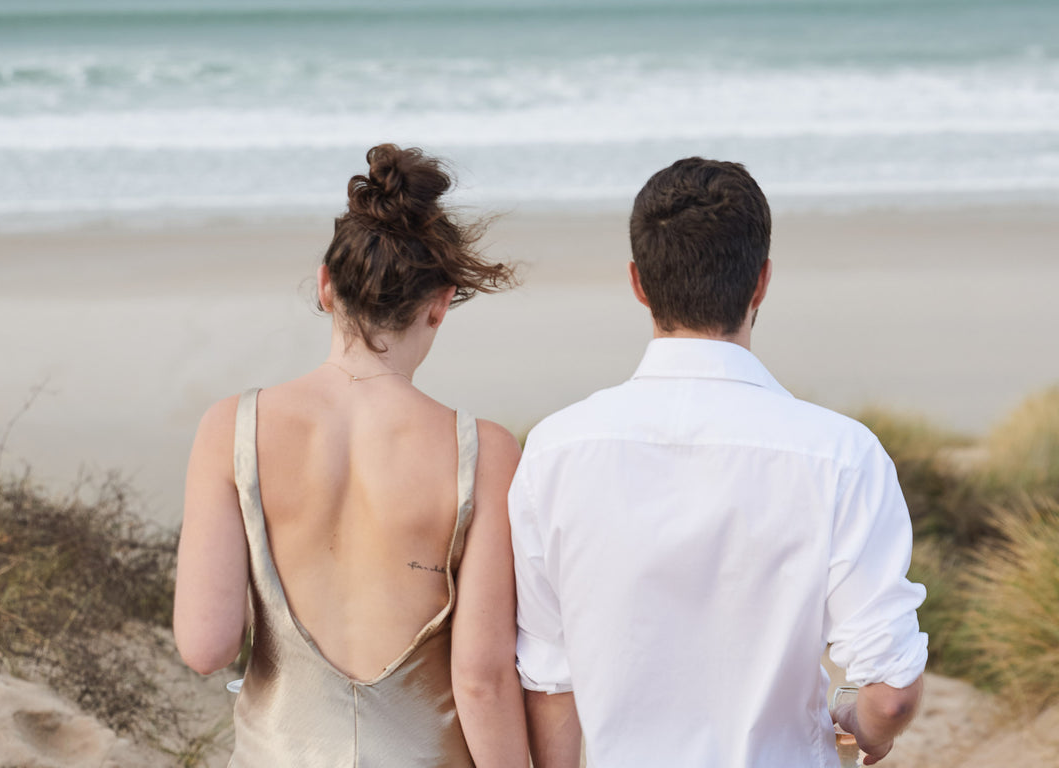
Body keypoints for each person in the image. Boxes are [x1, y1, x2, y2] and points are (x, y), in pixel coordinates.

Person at [509, 156, 927, 768]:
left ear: (638, 283)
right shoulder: (842, 454)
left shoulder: (554, 450)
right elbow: (890, 698)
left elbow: (548, 682)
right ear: (760, 282)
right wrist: (864, 728)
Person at [174, 144, 529, 768]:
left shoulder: (231, 428)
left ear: (326, 285)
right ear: (440, 303)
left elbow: (206, 646)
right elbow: (481, 680)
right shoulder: (485, 452)